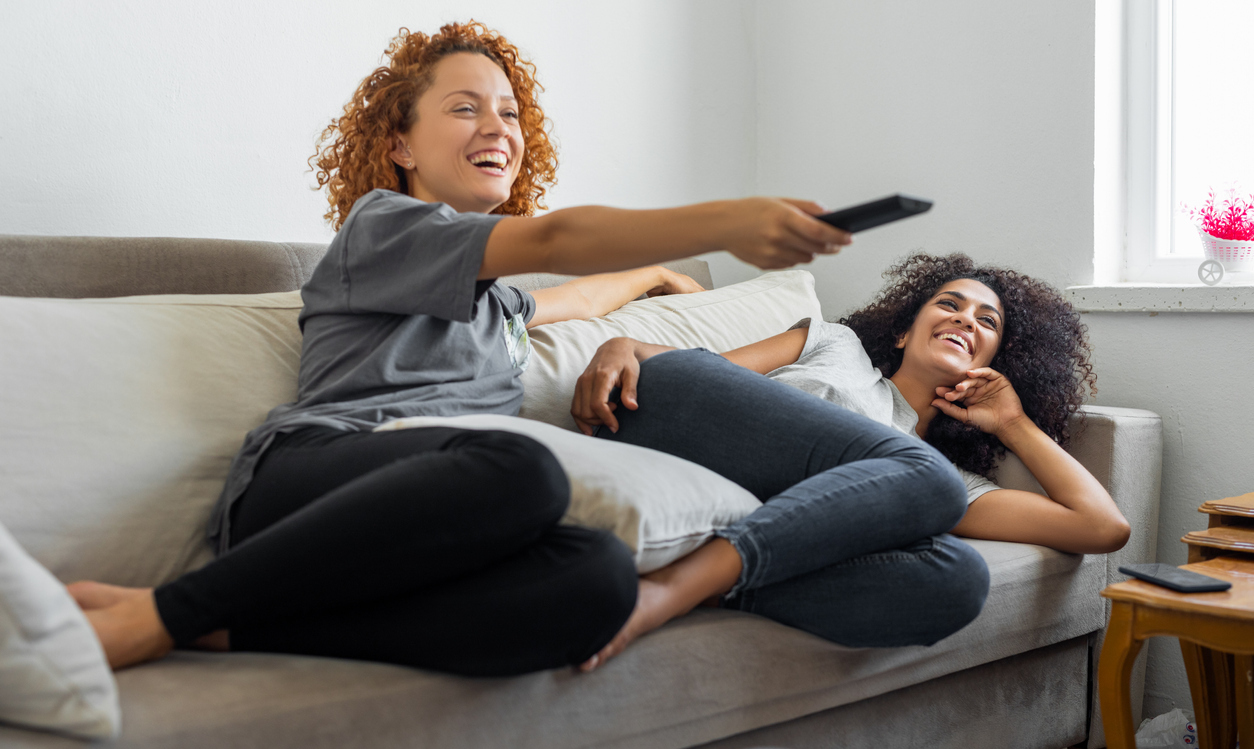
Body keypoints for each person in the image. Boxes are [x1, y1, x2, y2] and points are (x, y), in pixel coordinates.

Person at [67, 21, 853, 675]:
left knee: (598, 577)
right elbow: (556, 240)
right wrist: (722, 224)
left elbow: (575, 297)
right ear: (401, 144)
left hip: (432, 522)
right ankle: (162, 613)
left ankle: (225, 630)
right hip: (312, 484)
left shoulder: (499, 303)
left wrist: (652, 277)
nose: (498, 127)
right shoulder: (384, 228)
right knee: (521, 468)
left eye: (510, 113)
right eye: (465, 108)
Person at [567, 252, 1131, 671]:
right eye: (950, 304)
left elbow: (1101, 527)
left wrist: (1013, 422)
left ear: (995, 363)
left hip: (773, 511)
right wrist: (625, 346)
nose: (966, 320)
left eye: (988, 322)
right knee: (928, 478)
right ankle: (674, 588)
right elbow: (705, 372)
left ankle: (720, 584)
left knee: (959, 578)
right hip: (687, 425)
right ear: (904, 331)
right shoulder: (836, 344)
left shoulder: (940, 480)